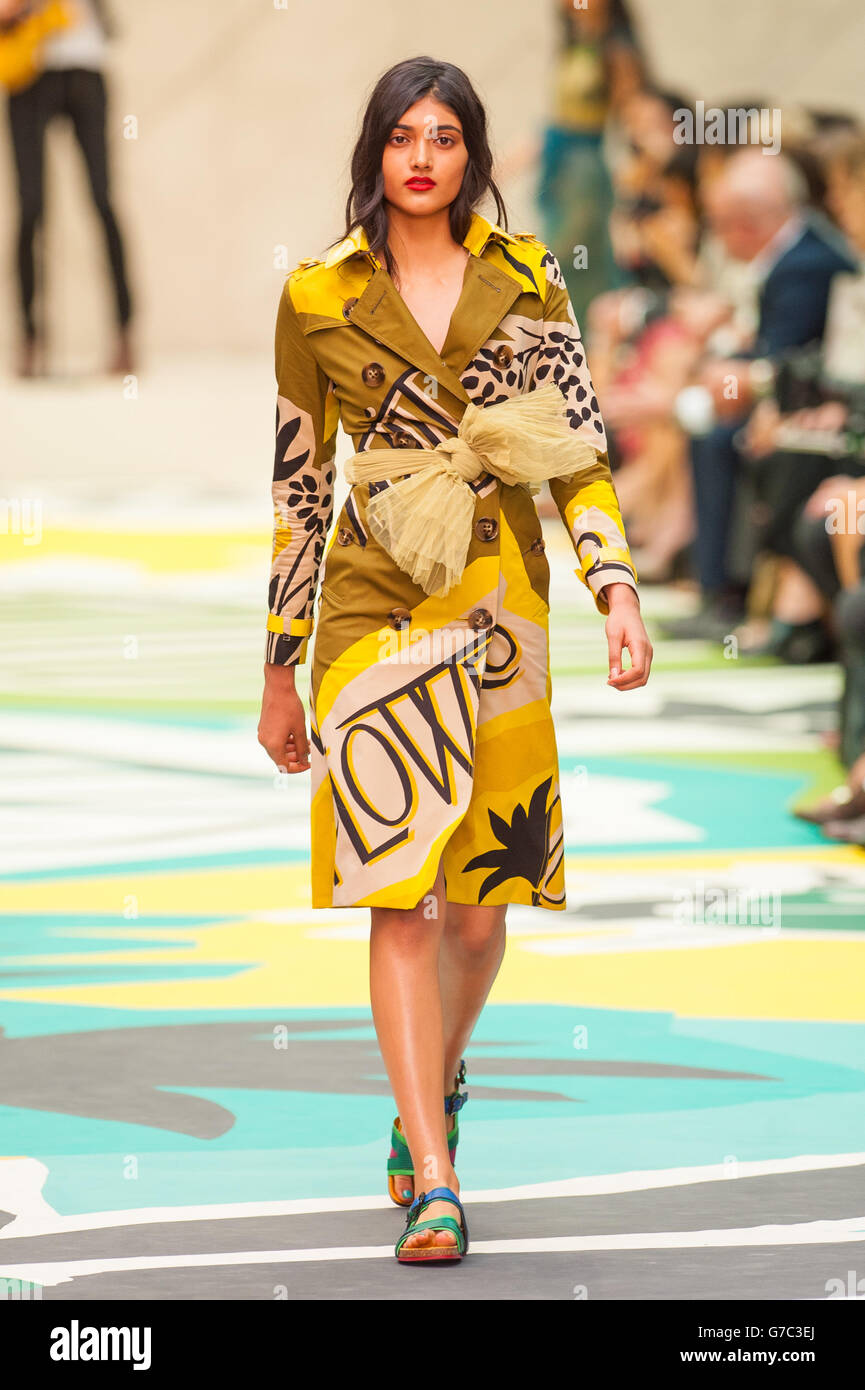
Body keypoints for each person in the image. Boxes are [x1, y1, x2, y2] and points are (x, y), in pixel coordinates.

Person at [256, 56, 651, 1265]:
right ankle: (433, 1174)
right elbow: (297, 484)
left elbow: (575, 450)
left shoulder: (528, 280)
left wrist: (614, 584)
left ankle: (438, 1074)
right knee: (403, 897)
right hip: (371, 602)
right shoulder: (316, 294)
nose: (420, 156)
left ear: (473, 154)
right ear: (372, 153)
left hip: (501, 596)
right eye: (399, 136)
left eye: (444, 137)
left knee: (480, 915)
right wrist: (279, 664)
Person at [661, 149, 857, 640]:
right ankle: (727, 589)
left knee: (726, 437)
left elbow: (791, 356)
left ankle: (739, 596)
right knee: (712, 425)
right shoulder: (793, 254)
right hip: (813, 397)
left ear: (752, 219)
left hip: (820, 404)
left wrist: (753, 385)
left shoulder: (805, 262)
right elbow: (779, 351)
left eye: (726, 225)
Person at [1, 0, 133, 375]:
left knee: (102, 200)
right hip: (26, 68)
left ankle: (124, 332)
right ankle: (29, 339)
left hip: (85, 67)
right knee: (30, 208)